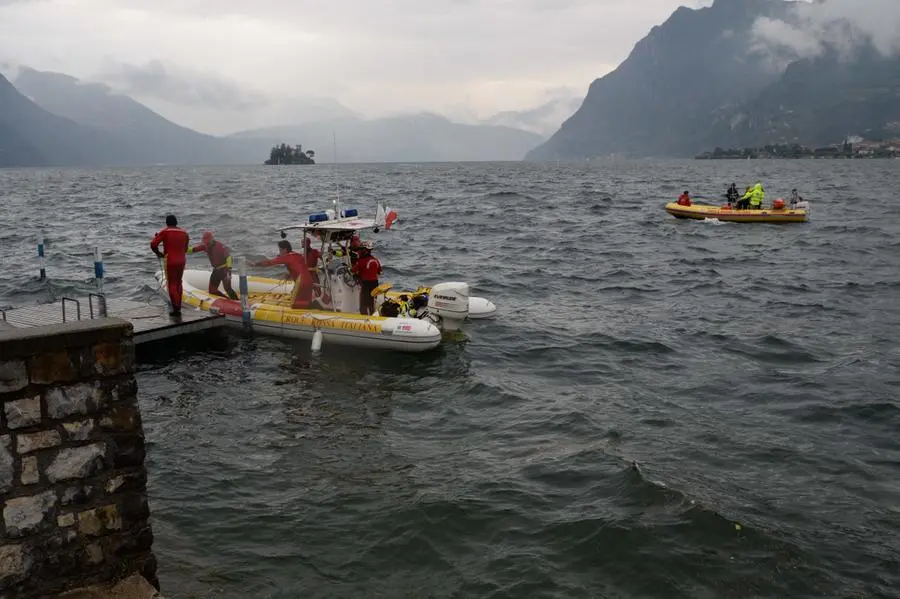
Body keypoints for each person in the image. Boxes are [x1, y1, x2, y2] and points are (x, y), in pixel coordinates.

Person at [250, 240, 313, 309]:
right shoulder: (296, 255)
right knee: (305, 302)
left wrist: (255, 264)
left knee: (295, 304)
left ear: (285, 249)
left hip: (301, 282)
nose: (279, 252)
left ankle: (298, 315)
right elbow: (300, 267)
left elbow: (269, 263)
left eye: (280, 250)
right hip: (309, 281)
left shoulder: (286, 257)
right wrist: (290, 274)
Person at [150, 214, 189, 317]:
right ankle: (179, 305)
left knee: (171, 283)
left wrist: (158, 254)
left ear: (167, 223)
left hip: (170, 260)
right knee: (178, 282)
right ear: (176, 222)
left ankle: (176, 308)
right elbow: (185, 248)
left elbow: (153, 244)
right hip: (182, 260)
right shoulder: (184, 233)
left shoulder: (165, 232)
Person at [188, 231, 238, 300]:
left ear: (212, 239)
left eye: (208, 242)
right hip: (216, 270)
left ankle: (237, 302)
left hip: (225, 270)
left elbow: (228, 258)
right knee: (212, 291)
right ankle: (227, 300)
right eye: (205, 242)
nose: (207, 244)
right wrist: (181, 248)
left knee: (228, 289)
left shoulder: (220, 245)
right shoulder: (205, 246)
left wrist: (229, 271)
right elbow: (193, 250)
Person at [351, 240, 382, 315]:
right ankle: (372, 315)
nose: (360, 251)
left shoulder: (361, 261)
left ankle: (364, 318)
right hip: (375, 284)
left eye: (361, 250)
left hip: (366, 284)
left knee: (363, 304)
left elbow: (352, 270)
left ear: (364, 250)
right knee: (372, 302)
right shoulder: (375, 260)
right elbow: (379, 272)